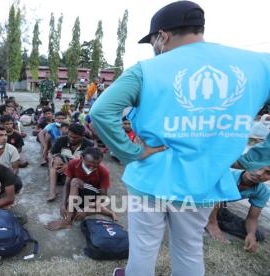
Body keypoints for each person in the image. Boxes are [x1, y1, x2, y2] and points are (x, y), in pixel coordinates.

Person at [89, 2, 270, 275]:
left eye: (152, 41)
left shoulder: (147, 69)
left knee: (143, 251)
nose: (154, 49)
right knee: (188, 250)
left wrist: (131, 152)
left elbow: (101, 112)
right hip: (204, 183)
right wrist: (253, 159)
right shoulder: (260, 64)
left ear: (162, 35)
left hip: (151, 179)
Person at [45, 147, 116, 230]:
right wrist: (63, 204)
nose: (91, 168)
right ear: (81, 157)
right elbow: (67, 185)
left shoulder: (104, 171)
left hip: (92, 196)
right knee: (73, 211)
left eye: (95, 166)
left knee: (75, 182)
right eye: (88, 165)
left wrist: (85, 210)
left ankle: (66, 222)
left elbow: (103, 197)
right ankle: (101, 210)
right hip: (79, 193)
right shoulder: (73, 163)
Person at [206, 166, 270, 252]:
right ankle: (207, 220)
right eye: (258, 166)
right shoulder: (226, 174)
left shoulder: (262, 191)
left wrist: (251, 234)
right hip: (197, 201)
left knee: (257, 235)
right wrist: (212, 223)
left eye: (268, 173)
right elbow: (212, 197)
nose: (259, 173)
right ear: (250, 163)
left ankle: (207, 220)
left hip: (218, 208)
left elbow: (252, 218)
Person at [47, 123, 94, 201]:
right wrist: (52, 159)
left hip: (78, 172)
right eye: (70, 136)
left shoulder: (89, 145)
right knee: (56, 159)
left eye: (75, 137)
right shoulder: (61, 140)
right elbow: (50, 153)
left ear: (82, 136)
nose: (72, 139)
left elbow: (89, 164)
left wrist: (69, 167)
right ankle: (52, 192)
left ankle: (72, 192)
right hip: (61, 170)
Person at [0, 126, 23, 193]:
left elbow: (15, 169)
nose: (4, 138)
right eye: (0, 135)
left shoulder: (12, 149)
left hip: (5, 175)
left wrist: (8, 178)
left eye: (5, 135)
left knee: (17, 183)